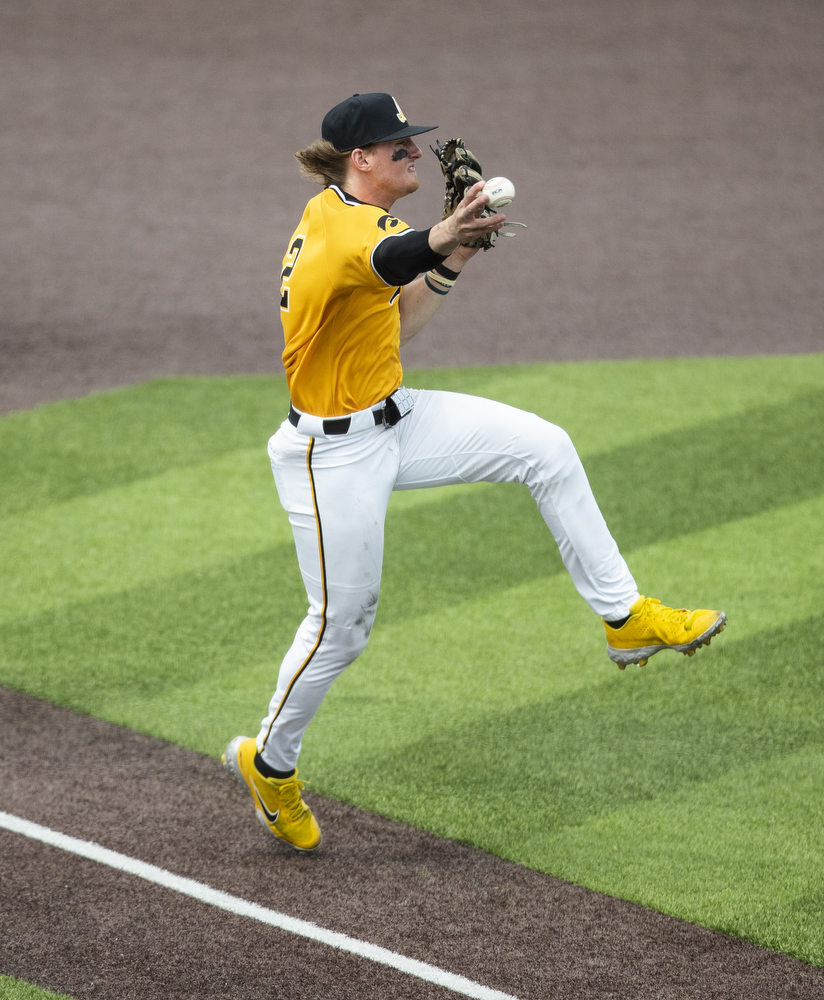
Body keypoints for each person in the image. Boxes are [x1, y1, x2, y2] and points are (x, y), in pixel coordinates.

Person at [222, 93, 726, 852]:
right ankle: (271, 764)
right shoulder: (343, 227)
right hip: (331, 457)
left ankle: (625, 619)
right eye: (398, 145)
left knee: (545, 448)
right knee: (341, 627)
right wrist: (441, 234)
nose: (413, 152)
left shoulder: (360, 221)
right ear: (361, 159)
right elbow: (394, 258)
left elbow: (396, 317)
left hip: (396, 418)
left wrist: (452, 251)